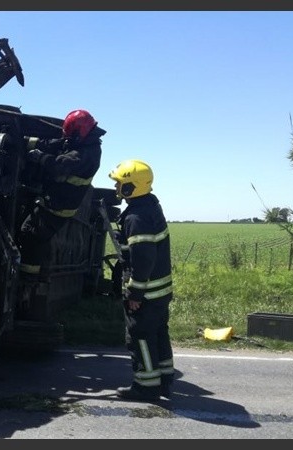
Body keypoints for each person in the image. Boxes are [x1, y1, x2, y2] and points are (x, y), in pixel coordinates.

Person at [107, 159, 175, 401]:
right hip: (159, 292)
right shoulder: (149, 208)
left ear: (131, 187)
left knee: (141, 337)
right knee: (159, 334)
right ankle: (164, 380)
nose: (116, 188)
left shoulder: (136, 218)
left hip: (146, 294)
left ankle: (146, 386)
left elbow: (143, 259)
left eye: (119, 184)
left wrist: (135, 294)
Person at [17, 109, 106, 276]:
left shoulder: (88, 154)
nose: (68, 138)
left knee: (31, 233)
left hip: (58, 208)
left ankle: (29, 276)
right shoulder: (83, 142)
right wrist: (28, 142)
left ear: (79, 133)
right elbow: (58, 144)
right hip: (54, 202)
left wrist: (40, 157)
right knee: (34, 234)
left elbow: (61, 165)